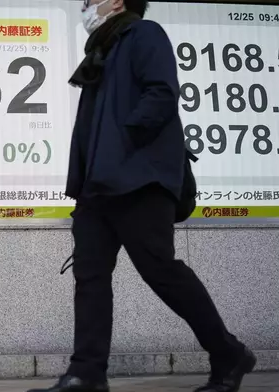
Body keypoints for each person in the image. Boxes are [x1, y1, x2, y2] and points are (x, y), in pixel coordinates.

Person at [28, 1, 255, 392]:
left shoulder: (142, 35)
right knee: (90, 276)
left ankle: (228, 352)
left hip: (138, 179)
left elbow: (162, 94)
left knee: (160, 271)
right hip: (97, 187)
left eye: (90, 0)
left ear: (117, 2)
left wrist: (123, 144)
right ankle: (86, 373)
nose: (85, 6)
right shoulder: (103, 50)